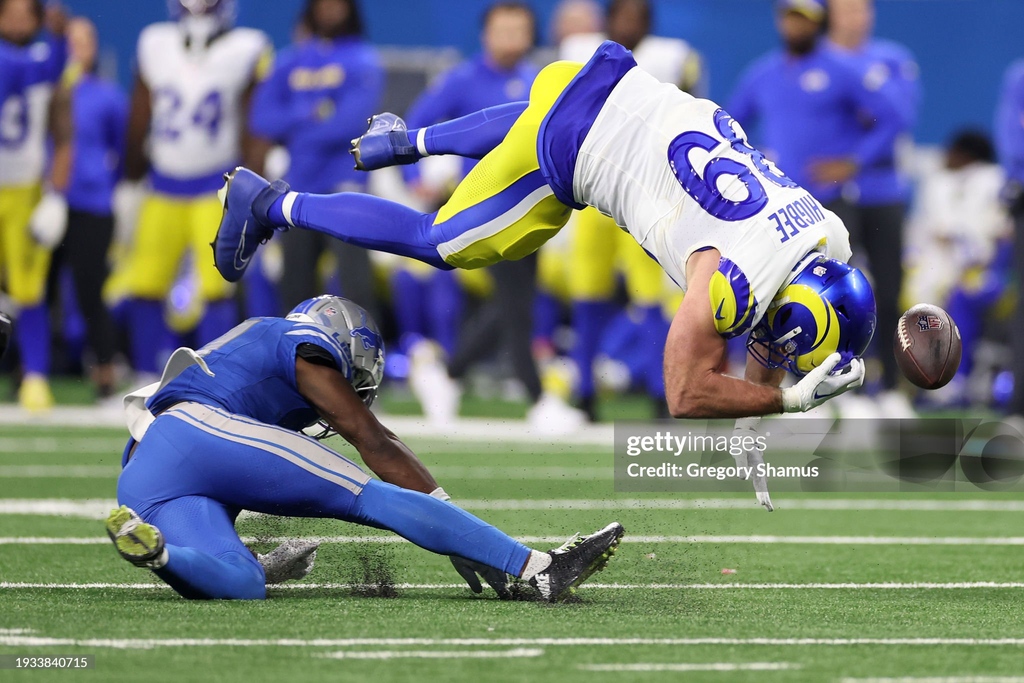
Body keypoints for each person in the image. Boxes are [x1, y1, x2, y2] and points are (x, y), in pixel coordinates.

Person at [213, 40, 876, 426]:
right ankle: (272, 203)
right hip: (577, 148)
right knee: (438, 239)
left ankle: (408, 139)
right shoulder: (735, 276)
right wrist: (783, 403)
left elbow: (773, 319)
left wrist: (758, 413)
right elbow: (685, 391)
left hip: (604, 77)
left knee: (541, 110)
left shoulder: (824, 232)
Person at [106, 295, 623, 602]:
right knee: (363, 496)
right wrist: (456, 525)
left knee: (243, 582)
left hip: (142, 474)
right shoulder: (297, 343)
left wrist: (253, 558)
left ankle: (159, 553)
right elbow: (373, 438)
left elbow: (223, 475)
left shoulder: (250, 365)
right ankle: (536, 569)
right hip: (195, 430)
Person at [398, 1, 584, 432]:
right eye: (503, 30)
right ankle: (538, 401)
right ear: (486, 34)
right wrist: (414, 178)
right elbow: (416, 123)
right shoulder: (462, 78)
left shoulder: (538, 80)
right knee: (517, 305)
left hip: (530, 202)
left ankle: (447, 374)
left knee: (513, 304)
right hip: (483, 205)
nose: (511, 39)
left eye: (519, 30)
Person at [728, 0, 906, 414]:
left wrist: (855, 159)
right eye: (790, 17)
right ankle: (805, 384)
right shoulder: (763, 73)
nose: (796, 26)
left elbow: (893, 116)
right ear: (779, 21)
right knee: (783, 297)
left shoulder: (841, 67)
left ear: (818, 22)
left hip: (831, 202)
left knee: (844, 295)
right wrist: (752, 165)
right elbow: (730, 121)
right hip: (783, 206)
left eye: (804, 18)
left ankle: (866, 385)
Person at [556, 0, 705, 421]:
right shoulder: (579, 50)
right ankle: (584, 390)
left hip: (643, 195)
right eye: (622, 15)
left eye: (637, 16)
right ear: (607, 19)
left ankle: (663, 391)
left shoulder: (671, 56)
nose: (629, 24)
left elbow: (691, 112)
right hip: (590, 192)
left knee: (651, 297)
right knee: (587, 294)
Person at [116, 0, 271, 381]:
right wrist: (130, 179)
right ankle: (143, 373)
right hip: (162, 183)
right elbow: (140, 113)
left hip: (215, 184)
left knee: (217, 286)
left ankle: (212, 377)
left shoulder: (249, 47)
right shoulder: (155, 41)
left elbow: (257, 125)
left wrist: (256, 190)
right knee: (145, 282)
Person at [249, 0, 382, 318]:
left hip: (345, 185)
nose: (330, 9)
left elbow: (352, 122)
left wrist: (295, 127)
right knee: (294, 287)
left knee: (356, 287)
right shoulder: (289, 61)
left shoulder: (362, 59)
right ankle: (296, 364)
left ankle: (367, 363)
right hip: (298, 188)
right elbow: (261, 119)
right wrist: (311, 113)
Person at [825, 0, 920, 410]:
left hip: (883, 190)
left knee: (890, 285)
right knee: (837, 290)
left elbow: (900, 114)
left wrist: (856, 155)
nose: (857, 18)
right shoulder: (816, 60)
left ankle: (894, 387)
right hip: (831, 194)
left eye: (863, 10)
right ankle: (838, 382)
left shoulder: (893, 58)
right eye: (847, 10)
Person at [33, 17, 126, 401]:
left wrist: (106, 185)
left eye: (85, 40)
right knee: (34, 288)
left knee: (90, 291)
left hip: (90, 202)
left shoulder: (107, 95)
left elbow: (120, 149)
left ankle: (105, 369)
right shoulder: (44, 88)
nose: (77, 47)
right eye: (71, 40)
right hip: (45, 201)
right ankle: (32, 369)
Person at [905, 131, 1010, 406]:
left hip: (985, 271)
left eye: (952, 151)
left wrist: (969, 248)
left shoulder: (994, 180)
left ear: (966, 155)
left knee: (961, 295)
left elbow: (1000, 235)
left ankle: (954, 379)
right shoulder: (938, 184)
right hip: (936, 266)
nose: (946, 157)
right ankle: (902, 379)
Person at [0, 0, 66, 410]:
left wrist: (55, 192)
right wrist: (58, 41)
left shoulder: (42, 60)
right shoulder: (35, 62)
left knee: (29, 290)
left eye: (29, 10)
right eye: (13, 9)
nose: (21, 18)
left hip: (25, 187)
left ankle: (35, 377)